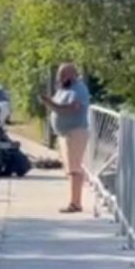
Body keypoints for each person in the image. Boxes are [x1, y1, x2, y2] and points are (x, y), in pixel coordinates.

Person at [40, 62, 91, 213]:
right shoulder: (64, 88)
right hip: (65, 133)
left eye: (63, 74)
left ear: (72, 74)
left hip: (75, 132)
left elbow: (71, 108)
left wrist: (50, 103)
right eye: (59, 75)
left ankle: (75, 203)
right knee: (70, 168)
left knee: (74, 168)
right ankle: (74, 200)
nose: (60, 77)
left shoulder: (78, 89)